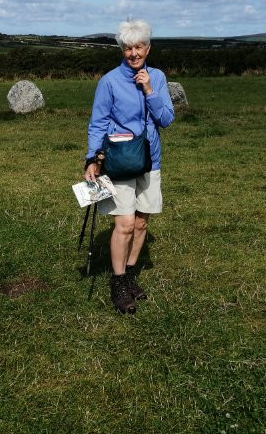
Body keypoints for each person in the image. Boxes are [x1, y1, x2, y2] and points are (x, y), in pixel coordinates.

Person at [84, 19, 175, 314]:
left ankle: (132, 273)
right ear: (122, 50)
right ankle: (119, 283)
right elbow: (98, 122)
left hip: (150, 160)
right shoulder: (110, 81)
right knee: (123, 224)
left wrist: (150, 90)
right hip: (119, 161)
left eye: (139, 47)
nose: (133, 53)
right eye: (128, 48)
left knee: (141, 222)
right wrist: (91, 158)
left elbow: (166, 119)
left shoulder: (158, 77)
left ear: (148, 48)